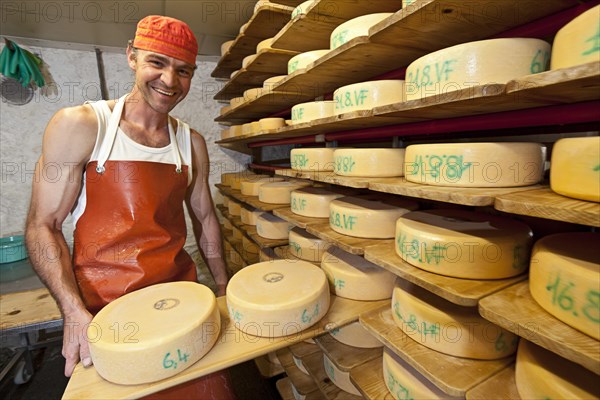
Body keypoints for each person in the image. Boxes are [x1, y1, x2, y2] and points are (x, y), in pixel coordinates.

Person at [25, 15, 236, 399]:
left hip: (179, 305)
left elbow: (205, 219)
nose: (170, 81)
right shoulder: (84, 126)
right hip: (104, 314)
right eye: (157, 62)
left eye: (183, 70)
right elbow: (43, 225)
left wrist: (222, 285)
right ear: (131, 57)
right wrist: (73, 313)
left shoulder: (192, 143)